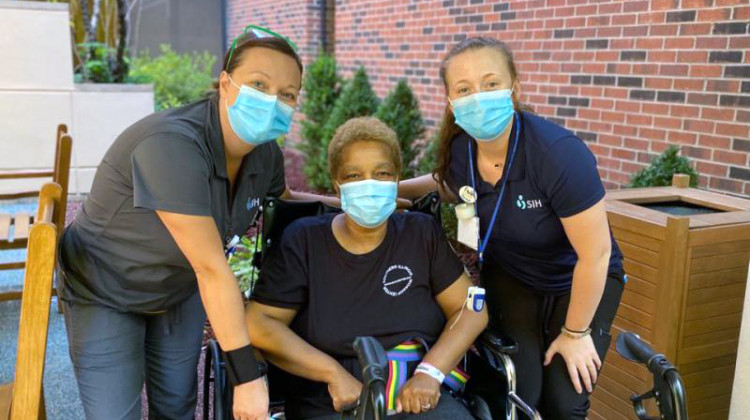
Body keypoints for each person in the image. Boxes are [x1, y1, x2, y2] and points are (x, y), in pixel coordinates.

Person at [58, 25, 333, 420]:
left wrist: (350, 205)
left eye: (287, 94)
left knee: (177, 407)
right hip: (106, 287)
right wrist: (247, 377)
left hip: (177, 287)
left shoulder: (264, 155)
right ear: (225, 84)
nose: (273, 100)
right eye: (258, 83)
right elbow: (211, 265)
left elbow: (284, 200)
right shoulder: (172, 145)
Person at [398, 37, 625, 419]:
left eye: (490, 83)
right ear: (451, 101)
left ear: (514, 88)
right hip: (514, 274)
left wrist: (575, 334)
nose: (478, 97)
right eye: (464, 89)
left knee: (564, 402)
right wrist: (389, 190)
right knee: (519, 394)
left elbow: (596, 254)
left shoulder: (557, 154)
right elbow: (446, 184)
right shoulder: (460, 150)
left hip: (580, 278)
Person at [245, 117, 488, 420]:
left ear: (397, 178)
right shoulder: (304, 240)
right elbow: (259, 323)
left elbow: (471, 309)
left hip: (417, 394)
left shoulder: (420, 233)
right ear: (337, 183)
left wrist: (430, 372)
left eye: (382, 173)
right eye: (354, 175)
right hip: (333, 400)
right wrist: (332, 373)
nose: (369, 184)